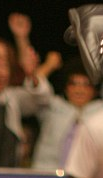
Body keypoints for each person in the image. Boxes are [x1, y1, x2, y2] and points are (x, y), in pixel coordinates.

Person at [31, 60, 103, 170]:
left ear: (95, 90)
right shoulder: (52, 106)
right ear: (66, 88)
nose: (79, 90)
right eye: (74, 84)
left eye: (86, 84)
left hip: (88, 173)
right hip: (46, 172)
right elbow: (37, 88)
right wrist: (49, 65)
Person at [0, 37, 53, 167]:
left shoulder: (10, 99)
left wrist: (32, 76)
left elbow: (43, 100)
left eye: (4, 64)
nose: (1, 72)